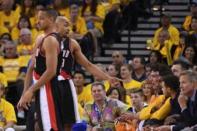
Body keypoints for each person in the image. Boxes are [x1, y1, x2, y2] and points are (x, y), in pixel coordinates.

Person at [55, 16, 119, 130]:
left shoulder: (72, 43)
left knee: (68, 122)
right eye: (65, 25)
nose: (69, 28)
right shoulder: (45, 40)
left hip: (65, 83)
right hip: (51, 83)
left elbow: (88, 65)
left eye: (69, 25)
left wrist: (107, 77)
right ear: (56, 26)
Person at [17, 8, 64, 131]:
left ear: (52, 19)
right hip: (40, 88)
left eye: (41, 18)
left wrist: (30, 91)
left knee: (50, 126)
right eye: (37, 18)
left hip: (51, 88)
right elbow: (31, 66)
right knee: (37, 125)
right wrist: (24, 93)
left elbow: (51, 71)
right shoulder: (40, 38)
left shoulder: (51, 40)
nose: (37, 21)